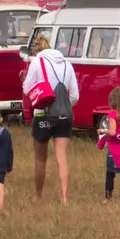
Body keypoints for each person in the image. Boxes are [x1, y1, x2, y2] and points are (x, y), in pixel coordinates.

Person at [22, 32, 78, 204]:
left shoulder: (36, 62)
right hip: (63, 116)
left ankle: (38, 196)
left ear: (37, 50)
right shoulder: (67, 64)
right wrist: (61, 105)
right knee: (61, 157)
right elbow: (75, 96)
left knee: (40, 159)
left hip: (42, 115)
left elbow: (26, 89)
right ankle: (64, 198)